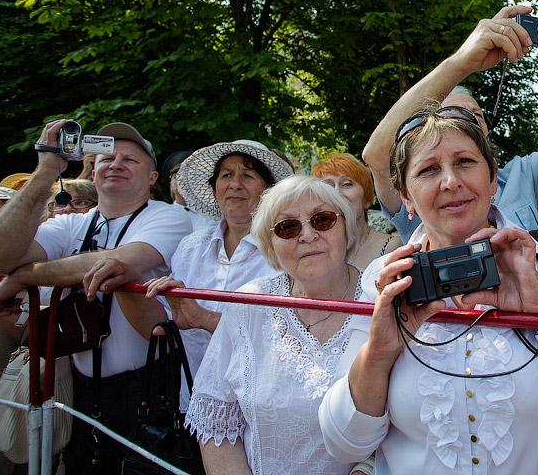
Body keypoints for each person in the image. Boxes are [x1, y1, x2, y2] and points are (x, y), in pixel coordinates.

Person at [319, 103, 538, 474]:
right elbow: (342, 444)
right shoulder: (385, 279)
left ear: (493, 180)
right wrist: (379, 353)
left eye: (465, 162)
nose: (450, 181)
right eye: (429, 169)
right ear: (406, 198)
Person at [0, 120, 192, 473]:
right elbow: (1, 254)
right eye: (106, 158)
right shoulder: (74, 223)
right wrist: (47, 170)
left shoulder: (169, 217)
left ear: (152, 178)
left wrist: (23, 275)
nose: (115, 164)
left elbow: (121, 262)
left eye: (130, 160)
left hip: (148, 386)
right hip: (81, 386)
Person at [362, 5, 538, 242]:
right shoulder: (418, 186)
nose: (451, 183)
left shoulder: (522, 176)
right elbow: (378, 156)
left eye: (476, 115)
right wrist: (462, 62)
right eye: (456, 117)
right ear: (407, 198)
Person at [183, 175, 363, 474]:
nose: (307, 235)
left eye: (322, 219)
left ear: (347, 228)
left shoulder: (380, 300)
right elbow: (216, 423)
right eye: (287, 227)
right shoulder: (249, 304)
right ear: (271, 244)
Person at [144, 140, 294, 411]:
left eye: (248, 175)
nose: (235, 184)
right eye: (226, 175)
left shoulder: (286, 250)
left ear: (268, 191)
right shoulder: (190, 247)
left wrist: (204, 319)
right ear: (214, 189)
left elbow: (287, 335)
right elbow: (166, 321)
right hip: (192, 399)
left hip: (262, 406)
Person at [312, 152, 399, 272]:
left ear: (366, 199)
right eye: (328, 186)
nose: (337, 193)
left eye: (347, 184)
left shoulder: (391, 248)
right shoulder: (314, 250)